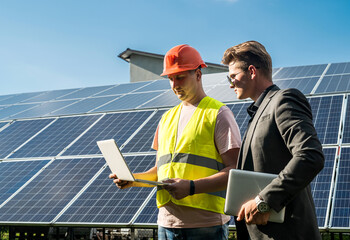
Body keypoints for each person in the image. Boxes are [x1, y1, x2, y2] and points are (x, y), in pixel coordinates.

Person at [110, 44, 241, 240]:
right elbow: (158, 173)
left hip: (205, 226)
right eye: (170, 79)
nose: (174, 84)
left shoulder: (218, 114)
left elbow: (235, 171)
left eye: (180, 77)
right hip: (165, 225)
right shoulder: (166, 119)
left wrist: (191, 187)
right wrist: (133, 180)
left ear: (198, 74)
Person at [221, 41, 325, 240]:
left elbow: (310, 155)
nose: (230, 83)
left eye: (233, 76)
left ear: (252, 71)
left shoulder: (284, 99)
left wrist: (264, 200)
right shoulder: (258, 111)